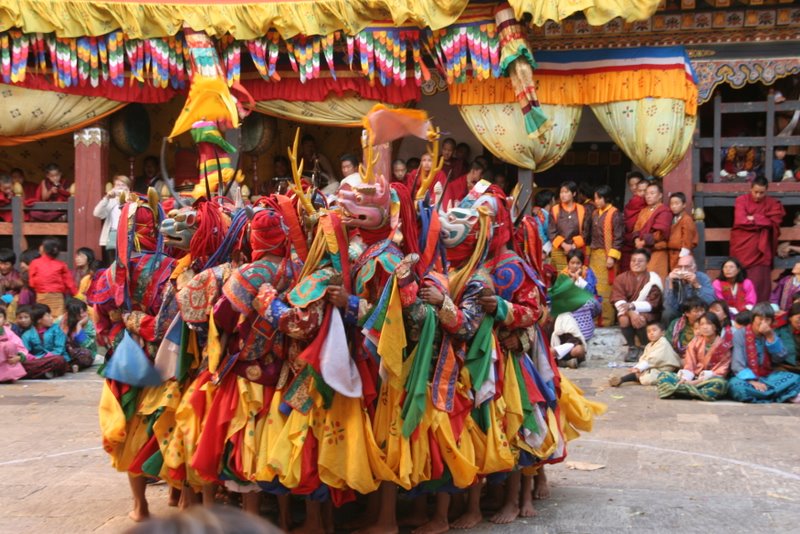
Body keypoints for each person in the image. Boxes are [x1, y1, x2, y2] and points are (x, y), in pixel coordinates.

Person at [728, 302, 800, 403]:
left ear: (771, 321)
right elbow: (737, 365)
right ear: (753, 319)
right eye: (760, 319)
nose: (763, 323)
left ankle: (765, 394)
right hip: (747, 378)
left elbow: (780, 357)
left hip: (768, 377)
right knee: (735, 386)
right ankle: (781, 395)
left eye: (767, 320)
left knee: (796, 378)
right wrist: (752, 381)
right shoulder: (740, 334)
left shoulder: (771, 333)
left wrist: (770, 337)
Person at [730, 176, 785, 302]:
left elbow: (775, 221)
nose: (758, 195)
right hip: (743, 247)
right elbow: (740, 220)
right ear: (751, 189)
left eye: (762, 192)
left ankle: (760, 310)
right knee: (741, 279)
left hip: (761, 250)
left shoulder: (772, 203)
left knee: (760, 281)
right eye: (755, 192)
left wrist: (753, 218)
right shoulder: (741, 200)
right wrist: (763, 219)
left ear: (767, 191)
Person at [658, 312, 732, 401]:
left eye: (709, 323)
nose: (705, 327)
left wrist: (694, 383)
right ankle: (692, 392)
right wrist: (685, 379)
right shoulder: (695, 342)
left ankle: (679, 391)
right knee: (663, 375)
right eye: (702, 324)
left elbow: (721, 371)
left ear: (716, 326)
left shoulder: (723, 346)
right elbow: (689, 365)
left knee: (720, 384)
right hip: (692, 377)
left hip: (708, 381)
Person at [611, 248, 664, 362]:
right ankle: (632, 348)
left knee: (641, 319)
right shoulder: (621, 278)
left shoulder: (653, 279)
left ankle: (645, 347)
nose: (636, 263)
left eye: (640, 261)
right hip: (627, 311)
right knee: (624, 320)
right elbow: (617, 298)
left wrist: (633, 307)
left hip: (648, 311)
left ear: (647, 263)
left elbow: (653, 303)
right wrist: (631, 313)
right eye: (633, 260)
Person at [589, 184, 624, 325]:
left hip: (606, 254)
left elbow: (619, 237)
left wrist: (612, 256)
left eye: (599, 198)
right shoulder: (594, 213)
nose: (596, 201)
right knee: (593, 286)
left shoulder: (614, 213)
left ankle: (607, 320)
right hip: (594, 255)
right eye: (595, 198)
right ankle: (595, 319)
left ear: (606, 198)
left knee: (606, 289)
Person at [609, 321, 680, 387]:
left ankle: (623, 379)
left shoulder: (663, 342)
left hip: (665, 369)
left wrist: (640, 368)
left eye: (654, 330)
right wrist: (638, 367)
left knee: (647, 379)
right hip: (654, 367)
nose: (651, 333)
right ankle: (621, 380)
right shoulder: (649, 345)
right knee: (643, 374)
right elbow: (644, 357)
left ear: (662, 333)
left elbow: (655, 358)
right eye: (649, 331)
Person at [28, 237, 77, 318]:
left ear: (44, 248)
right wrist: (77, 295)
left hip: (41, 295)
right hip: (57, 297)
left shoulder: (35, 263)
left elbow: (32, 283)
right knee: (58, 319)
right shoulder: (61, 264)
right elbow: (70, 283)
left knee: (42, 317)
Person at [548, 180, 590, 272]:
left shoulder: (582, 209)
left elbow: (585, 231)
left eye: (566, 192)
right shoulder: (554, 209)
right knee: (561, 278)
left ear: (574, 193)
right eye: (561, 192)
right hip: (559, 250)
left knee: (576, 278)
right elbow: (551, 231)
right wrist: (564, 245)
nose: (563, 195)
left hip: (576, 251)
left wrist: (573, 246)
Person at [632, 181, 671, 280]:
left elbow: (661, 233)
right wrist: (636, 239)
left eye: (652, 193)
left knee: (654, 280)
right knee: (641, 281)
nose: (648, 196)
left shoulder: (664, 211)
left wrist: (644, 242)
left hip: (656, 251)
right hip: (642, 251)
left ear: (660, 195)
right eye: (647, 194)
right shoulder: (643, 211)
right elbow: (637, 227)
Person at [662, 254, 715, 324]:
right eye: (680, 267)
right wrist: (671, 284)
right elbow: (668, 305)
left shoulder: (703, 278)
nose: (683, 270)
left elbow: (710, 301)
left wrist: (696, 284)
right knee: (667, 313)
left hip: (697, 310)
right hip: (679, 310)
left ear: (694, 268)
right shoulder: (671, 278)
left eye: (687, 267)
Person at [18, 303, 67, 378]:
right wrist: (35, 358)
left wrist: (45, 358)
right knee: (20, 364)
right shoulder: (27, 334)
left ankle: (40, 373)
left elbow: (59, 350)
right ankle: (46, 373)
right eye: (48, 316)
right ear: (39, 320)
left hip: (53, 358)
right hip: (37, 361)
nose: (51, 318)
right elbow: (25, 352)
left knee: (59, 360)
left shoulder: (56, 329)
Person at [49, 297, 97, 371]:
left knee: (85, 355)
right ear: (72, 314)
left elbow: (86, 345)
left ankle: (65, 366)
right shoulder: (61, 321)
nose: (84, 314)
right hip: (63, 351)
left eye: (84, 311)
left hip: (80, 352)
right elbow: (54, 340)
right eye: (81, 313)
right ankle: (69, 366)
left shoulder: (88, 324)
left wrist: (79, 325)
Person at [93, 175, 130, 264]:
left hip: (127, 234)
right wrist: (107, 198)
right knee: (112, 263)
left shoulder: (133, 200)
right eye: (117, 185)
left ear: (128, 187)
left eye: (123, 185)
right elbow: (97, 213)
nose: (120, 187)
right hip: (113, 234)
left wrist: (127, 198)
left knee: (126, 261)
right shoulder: (111, 201)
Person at [620, 171, 647, 273]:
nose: (634, 187)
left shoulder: (647, 203)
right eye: (631, 185)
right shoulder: (630, 203)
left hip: (640, 241)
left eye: (637, 184)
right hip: (628, 241)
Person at [667, 192, 698, 270]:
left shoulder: (686, 219)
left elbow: (687, 237)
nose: (674, 206)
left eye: (677, 203)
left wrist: (683, 255)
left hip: (682, 253)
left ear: (684, 205)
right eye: (672, 204)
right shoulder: (673, 219)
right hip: (672, 253)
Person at [0, 307, 27, 383]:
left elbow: (20, 346)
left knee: (9, 345)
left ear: (5, 320)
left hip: (8, 362)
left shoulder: (7, 331)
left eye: (0, 317)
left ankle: (8, 376)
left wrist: (19, 357)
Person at [0, 248, 23, 320]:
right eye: (0, 263)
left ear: (12, 264)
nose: (3, 267)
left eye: (6, 264)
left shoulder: (18, 276)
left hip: (11, 309)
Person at [532, 190, 555, 256]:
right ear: (550, 201)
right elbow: (540, 234)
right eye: (554, 200)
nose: (555, 202)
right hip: (544, 250)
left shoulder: (544, 214)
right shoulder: (540, 214)